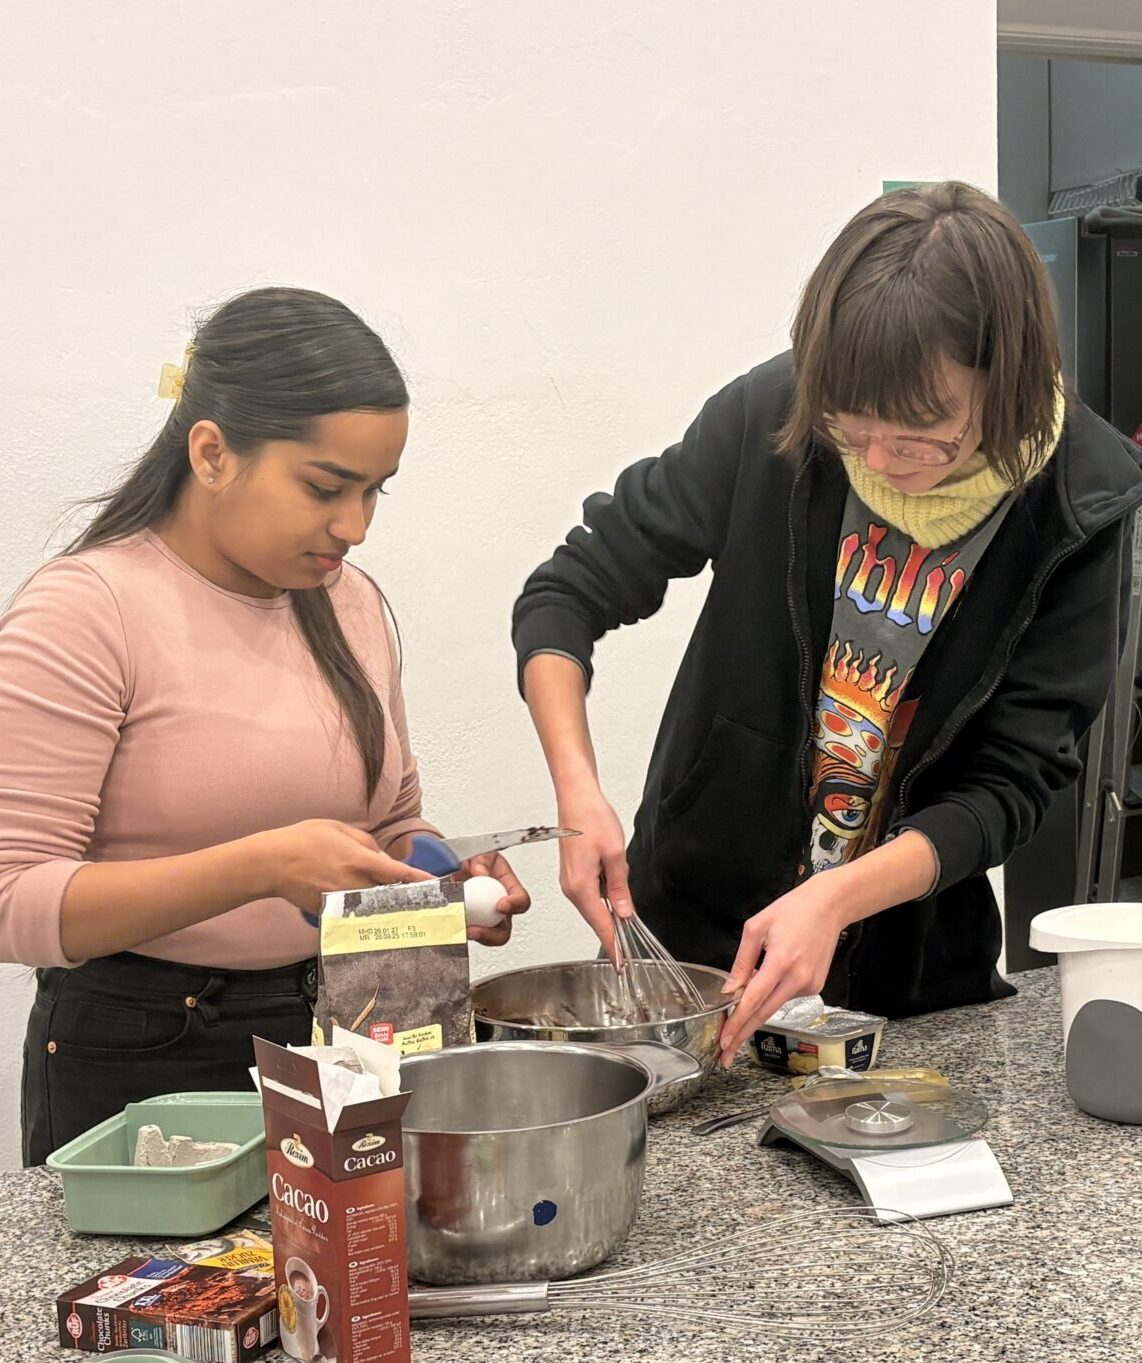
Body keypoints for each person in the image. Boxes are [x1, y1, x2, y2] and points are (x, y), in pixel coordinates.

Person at [512, 181, 1142, 1067]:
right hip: (698, 939)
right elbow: (568, 592)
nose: (877, 460)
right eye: (853, 427)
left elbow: (1010, 784)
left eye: (921, 433)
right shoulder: (778, 411)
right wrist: (578, 797)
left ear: (1003, 381)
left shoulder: (1081, 497)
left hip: (912, 976)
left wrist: (838, 897)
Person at [0, 286, 529, 1165]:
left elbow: (389, 820)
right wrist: (262, 867)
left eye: (375, 491)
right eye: (325, 487)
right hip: (139, 1058)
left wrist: (437, 872)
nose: (354, 526)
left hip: (334, 1029)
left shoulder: (349, 603)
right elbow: (13, 898)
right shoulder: (86, 611)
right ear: (212, 452)